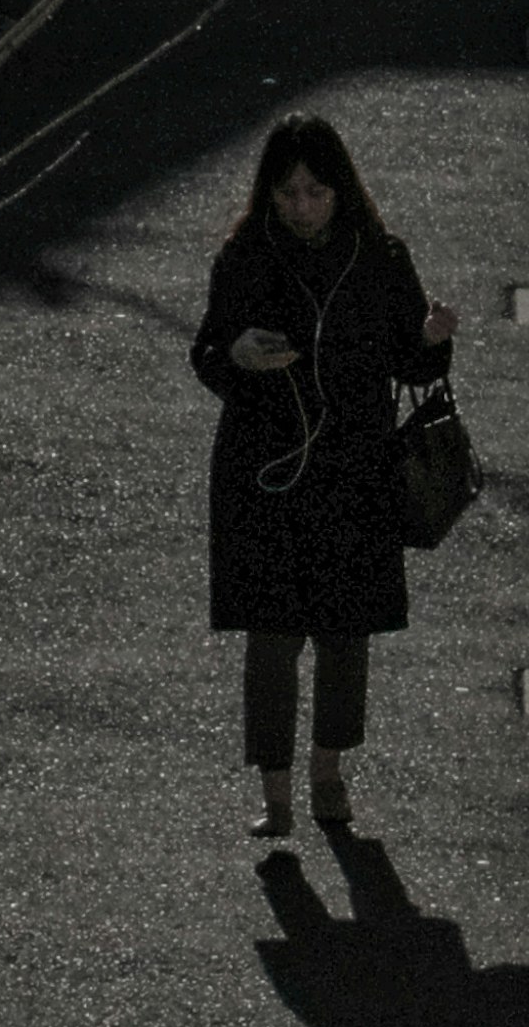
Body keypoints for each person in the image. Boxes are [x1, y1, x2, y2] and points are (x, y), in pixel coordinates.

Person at [190, 113, 455, 840]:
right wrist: (238, 355)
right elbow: (208, 351)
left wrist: (432, 341)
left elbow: (413, 362)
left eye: (315, 192)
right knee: (271, 637)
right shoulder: (244, 257)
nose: (303, 207)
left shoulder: (379, 257)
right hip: (265, 468)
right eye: (289, 194)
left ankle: (328, 773)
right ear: (268, 195)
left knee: (345, 631)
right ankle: (276, 791)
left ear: (340, 190)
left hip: (353, 466)